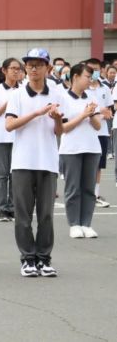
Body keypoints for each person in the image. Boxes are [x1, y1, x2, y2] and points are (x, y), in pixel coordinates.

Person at [6, 48, 63, 278]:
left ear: (48, 68)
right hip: (22, 162)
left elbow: (60, 131)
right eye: (29, 64)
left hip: (48, 161)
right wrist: (37, 113)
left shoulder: (58, 93)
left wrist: (58, 119)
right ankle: (28, 258)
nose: (33, 68)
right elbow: (9, 125)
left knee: (46, 214)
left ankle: (44, 258)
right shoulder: (17, 95)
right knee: (23, 214)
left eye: (39, 64)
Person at [59, 64, 102, 239]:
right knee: (73, 188)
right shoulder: (62, 98)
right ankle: (74, 224)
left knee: (89, 189)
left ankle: (86, 223)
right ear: (75, 76)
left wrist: (91, 114)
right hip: (71, 149)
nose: (89, 80)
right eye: (87, 76)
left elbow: (98, 126)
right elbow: (63, 128)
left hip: (92, 147)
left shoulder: (91, 98)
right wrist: (83, 115)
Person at [0, 58, 22, 222]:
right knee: (2, 175)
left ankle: (13, 207)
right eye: (13, 68)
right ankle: (3, 208)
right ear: (4, 71)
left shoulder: (23, 89)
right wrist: (8, 103)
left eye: (18, 69)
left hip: (19, 137)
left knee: (15, 174)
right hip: (1, 137)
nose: (16, 71)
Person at [84, 58, 112, 208]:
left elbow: (109, 110)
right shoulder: (82, 89)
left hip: (102, 132)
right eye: (90, 69)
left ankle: (95, 194)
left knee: (98, 165)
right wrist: (99, 112)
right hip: (86, 132)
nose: (93, 73)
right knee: (86, 163)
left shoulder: (105, 88)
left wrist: (100, 113)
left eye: (96, 69)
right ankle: (84, 193)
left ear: (101, 70)